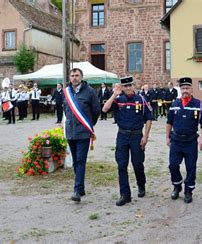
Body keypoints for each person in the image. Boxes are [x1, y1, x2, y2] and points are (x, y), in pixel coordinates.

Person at [102, 76, 153, 206]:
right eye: (125, 86)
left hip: (137, 136)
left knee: (137, 164)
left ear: (133, 86)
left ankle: (141, 184)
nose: (128, 88)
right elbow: (105, 109)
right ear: (122, 87)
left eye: (130, 85)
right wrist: (114, 95)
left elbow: (148, 118)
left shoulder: (141, 99)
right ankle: (125, 195)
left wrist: (145, 136)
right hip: (122, 136)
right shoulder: (119, 100)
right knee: (121, 165)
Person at [166, 77, 202, 204]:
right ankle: (177, 185)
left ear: (192, 89)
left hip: (190, 142)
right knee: (173, 165)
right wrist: (167, 137)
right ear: (180, 89)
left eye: (187, 88)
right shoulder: (175, 104)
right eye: (183, 88)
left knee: (191, 167)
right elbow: (169, 122)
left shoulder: (198, 104)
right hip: (176, 141)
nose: (185, 90)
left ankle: (188, 191)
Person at [63, 68, 100, 203]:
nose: (74, 78)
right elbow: (66, 110)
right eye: (72, 75)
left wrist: (89, 124)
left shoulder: (89, 92)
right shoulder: (66, 92)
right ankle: (81, 187)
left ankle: (77, 190)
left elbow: (96, 111)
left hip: (83, 133)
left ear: (82, 77)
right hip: (70, 133)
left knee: (80, 161)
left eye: (77, 75)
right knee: (75, 161)